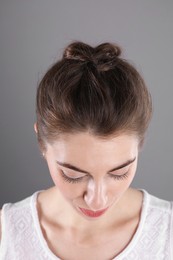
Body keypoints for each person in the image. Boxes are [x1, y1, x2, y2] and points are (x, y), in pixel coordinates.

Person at [0, 41, 172, 259]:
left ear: (139, 144)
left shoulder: (168, 235)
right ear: (41, 142)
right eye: (73, 175)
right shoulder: (6, 236)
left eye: (119, 173)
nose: (97, 200)